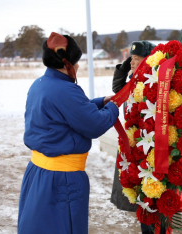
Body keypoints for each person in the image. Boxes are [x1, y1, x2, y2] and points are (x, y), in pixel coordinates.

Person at [18, 32, 119, 234]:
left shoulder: (40, 84)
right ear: (67, 63)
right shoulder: (65, 90)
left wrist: (100, 102)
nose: (79, 66)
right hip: (61, 179)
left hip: (38, 172)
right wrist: (113, 108)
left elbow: (68, 113)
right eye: (76, 62)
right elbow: (95, 125)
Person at [110, 41, 165, 234]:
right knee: (141, 201)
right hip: (134, 147)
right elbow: (118, 88)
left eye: (136, 59)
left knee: (151, 201)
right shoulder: (134, 81)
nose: (132, 62)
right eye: (131, 59)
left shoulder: (154, 82)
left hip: (148, 151)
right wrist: (126, 66)